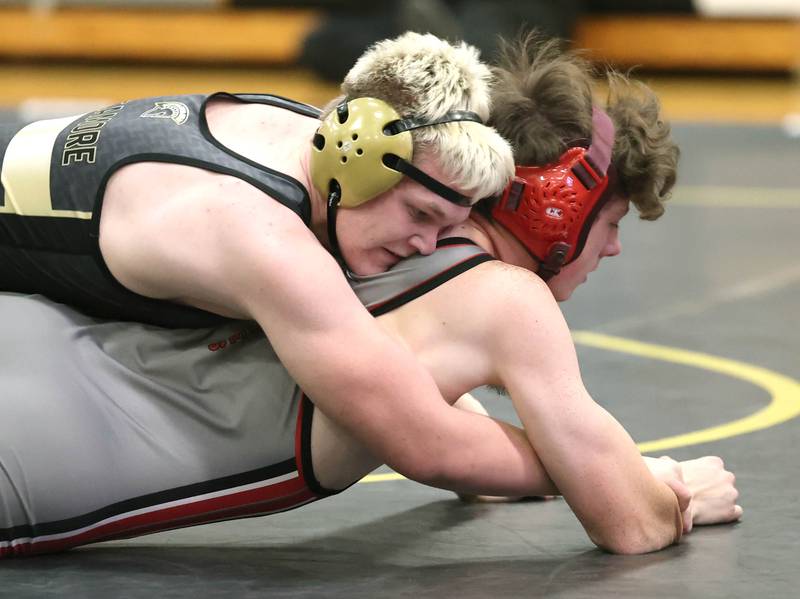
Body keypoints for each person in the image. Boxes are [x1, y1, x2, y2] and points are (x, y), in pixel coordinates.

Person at [0, 33, 740, 559]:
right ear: (558, 210)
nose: (611, 249)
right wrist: (634, 480)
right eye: (610, 224)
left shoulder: (332, 187)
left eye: (441, 222)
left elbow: (415, 400)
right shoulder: (279, 244)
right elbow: (434, 444)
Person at [0, 33, 526, 499]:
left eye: (444, 226)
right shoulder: (254, 230)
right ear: (357, 155)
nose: (427, 245)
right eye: (419, 213)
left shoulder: (302, 131)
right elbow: (422, 443)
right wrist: (575, 470)